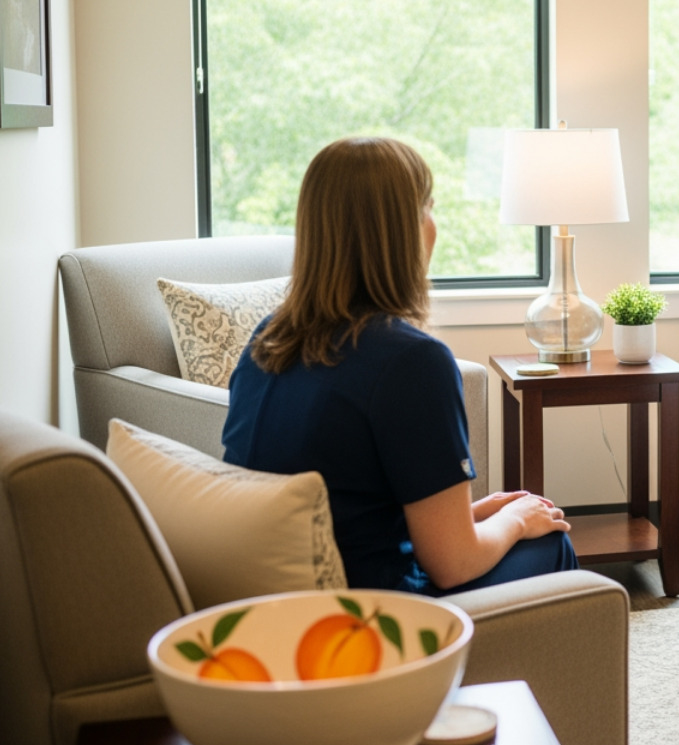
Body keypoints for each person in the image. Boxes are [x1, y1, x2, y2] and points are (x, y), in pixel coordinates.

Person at [223, 137, 577, 595]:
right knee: (550, 541)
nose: (434, 223)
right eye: (428, 206)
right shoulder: (412, 361)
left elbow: (346, 511)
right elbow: (453, 564)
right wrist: (514, 520)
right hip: (374, 619)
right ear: (402, 231)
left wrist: (467, 516)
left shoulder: (269, 339)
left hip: (281, 601)